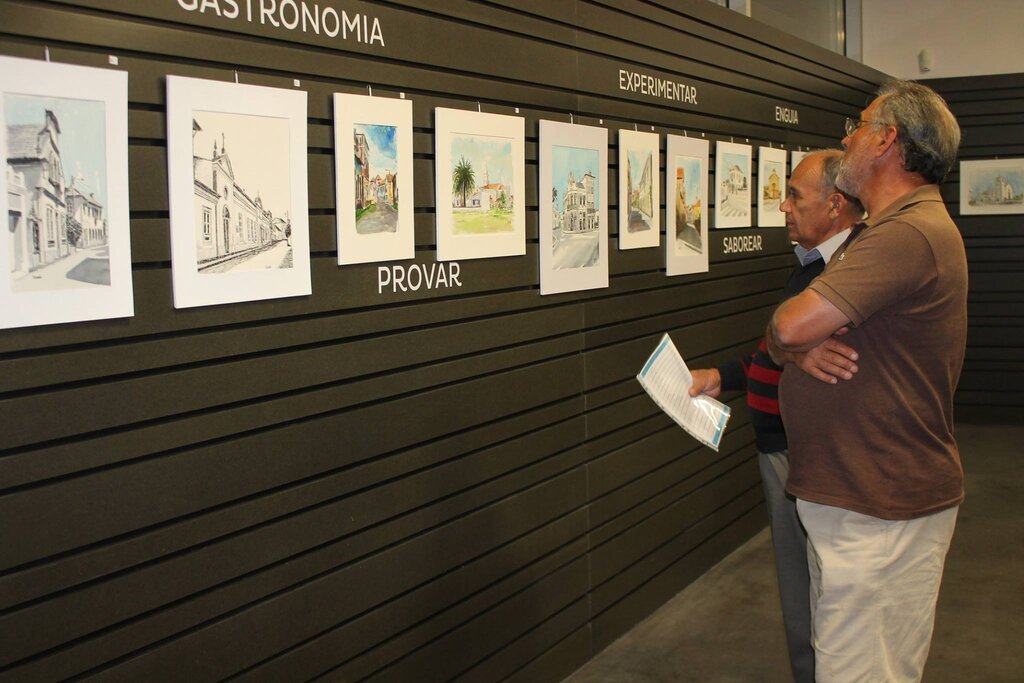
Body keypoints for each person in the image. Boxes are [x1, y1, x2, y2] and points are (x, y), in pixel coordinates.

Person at [767, 80, 967, 683]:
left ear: (886, 141)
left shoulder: (906, 233)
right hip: (860, 500)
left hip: (879, 505)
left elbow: (789, 322)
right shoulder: (886, 230)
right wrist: (790, 349)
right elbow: (785, 336)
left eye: (856, 126)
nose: (847, 139)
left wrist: (788, 340)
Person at [688, 150, 862, 683]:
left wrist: (789, 350)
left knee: (823, 597)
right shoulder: (810, 266)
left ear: (835, 205)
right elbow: (775, 352)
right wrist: (722, 377)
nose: (783, 206)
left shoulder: (853, 270)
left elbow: (835, 365)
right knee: (800, 592)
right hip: (781, 451)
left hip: (812, 457)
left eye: (794, 196)